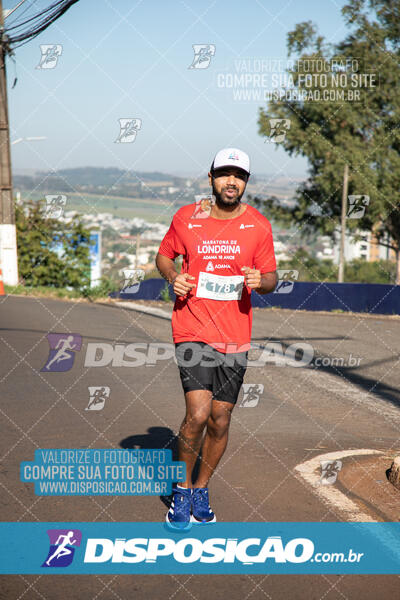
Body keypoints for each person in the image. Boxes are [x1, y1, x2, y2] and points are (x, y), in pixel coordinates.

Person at [156, 148, 277, 529]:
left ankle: (200, 488)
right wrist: (172, 276)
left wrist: (262, 282)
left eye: (238, 175)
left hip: (235, 334)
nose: (231, 181)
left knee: (220, 419)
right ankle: (180, 490)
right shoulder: (187, 217)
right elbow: (164, 255)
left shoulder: (258, 225)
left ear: (245, 183)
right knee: (198, 413)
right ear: (210, 178)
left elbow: (271, 278)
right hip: (191, 327)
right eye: (224, 173)